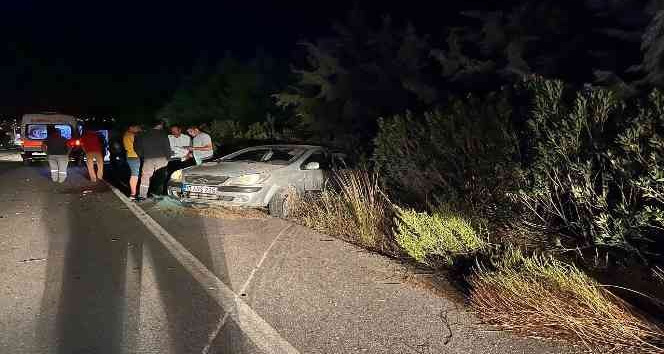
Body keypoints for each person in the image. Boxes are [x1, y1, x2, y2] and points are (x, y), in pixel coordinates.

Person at [135, 120, 171, 200]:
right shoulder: (163, 134)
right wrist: (168, 157)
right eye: (162, 125)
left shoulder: (142, 134)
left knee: (145, 177)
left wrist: (142, 155)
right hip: (161, 158)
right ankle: (157, 194)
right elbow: (167, 146)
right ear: (160, 125)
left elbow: (137, 147)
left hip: (148, 158)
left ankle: (142, 195)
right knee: (160, 176)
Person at [122, 124, 142, 201]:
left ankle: (133, 193)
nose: (138, 129)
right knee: (134, 175)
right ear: (131, 128)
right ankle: (133, 194)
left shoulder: (126, 134)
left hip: (130, 156)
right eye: (136, 128)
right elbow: (138, 145)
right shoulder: (131, 135)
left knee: (134, 174)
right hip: (134, 156)